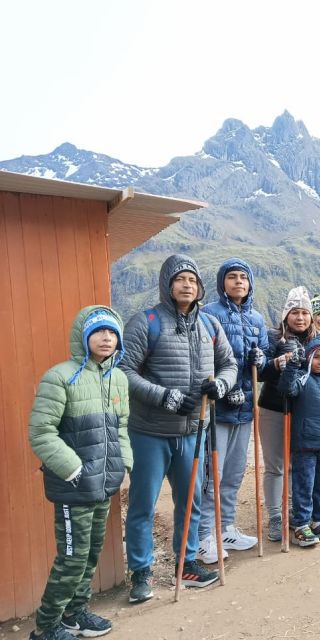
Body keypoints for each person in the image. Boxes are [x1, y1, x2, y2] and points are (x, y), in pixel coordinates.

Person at [120, 254, 237, 603]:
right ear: (167, 284)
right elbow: (125, 371)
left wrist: (221, 385)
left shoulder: (210, 327)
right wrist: (165, 398)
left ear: (200, 287)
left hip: (193, 431)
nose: (187, 285)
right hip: (150, 431)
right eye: (180, 279)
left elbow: (228, 364)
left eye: (192, 280)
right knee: (143, 503)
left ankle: (186, 564)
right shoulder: (146, 322)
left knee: (190, 500)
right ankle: (141, 573)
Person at [27, 306, 131, 640]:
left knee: (90, 555)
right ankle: (46, 626)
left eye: (112, 332)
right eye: (99, 331)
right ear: (83, 337)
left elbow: (123, 427)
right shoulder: (59, 376)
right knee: (72, 558)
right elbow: (41, 432)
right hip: (73, 487)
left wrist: (123, 465)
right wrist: (73, 469)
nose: (106, 337)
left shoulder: (118, 378)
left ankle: (74, 613)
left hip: (103, 487)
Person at [257, 286, 320, 542]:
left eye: (304, 312)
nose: (300, 318)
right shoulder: (273, 338)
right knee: (276, 466)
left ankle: (298, 514)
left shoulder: (316, 339)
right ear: (286, 314)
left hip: (304, 413)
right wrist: (279, 363)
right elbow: (261, 372)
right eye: (295, 312)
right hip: (274, 407)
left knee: (297, 466)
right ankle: (276, 516)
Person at [196, 258, 268, 564]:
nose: (238, 282)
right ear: (222, 282)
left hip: (246, 407)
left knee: (236, 472)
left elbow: (262, 370)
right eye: (232, 277)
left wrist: (261, 359)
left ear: (250, 283)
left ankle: (224, 528)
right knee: (214, 473)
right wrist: (226, 389)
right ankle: (203, 537)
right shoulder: (209, 314)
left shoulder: (257, 319)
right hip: (218, 407)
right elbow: (201, 357)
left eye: (243, 277)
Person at [278, 333, 320, 547]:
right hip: (304, 444)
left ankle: (319, 521)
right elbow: (286, 389)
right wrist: (291, 366)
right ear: (309, 358)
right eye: (317, 357)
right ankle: (300, 524)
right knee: (304, 485)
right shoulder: (301, 378)